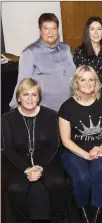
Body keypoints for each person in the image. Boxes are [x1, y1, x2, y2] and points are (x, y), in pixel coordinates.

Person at [2, 78, 67, 223]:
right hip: (18, 163)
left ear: (39, 97)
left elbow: (54, 145)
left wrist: (39, 167)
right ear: (18, 97)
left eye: (34, 94)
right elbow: (9, 149)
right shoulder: (7, 118)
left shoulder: (51, 115)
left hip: (47, 161)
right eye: (26, 94)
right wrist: (27, 169)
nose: (30, 99)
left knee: (56, 183)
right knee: (17, 188)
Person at [58, 65, 102, 223]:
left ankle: (95, 217)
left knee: (99, 171)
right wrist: (85, 154)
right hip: (73, 152)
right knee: (82, 177)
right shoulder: (66, 107)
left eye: (92, 79)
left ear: (96, 82)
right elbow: (66, 140)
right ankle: (84, 216)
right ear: (76, 82)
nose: (88, 83)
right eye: (83, 79)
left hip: (101, 149)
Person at [9, 13, 76, 111]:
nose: (51, 32)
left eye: (54, 28)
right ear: (40, 30)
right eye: (46, 28)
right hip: (45, 113)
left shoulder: (66, 49)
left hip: (70, 109)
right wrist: (15, 112)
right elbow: (22, 85)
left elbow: (75, 78)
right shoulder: (30, 53)